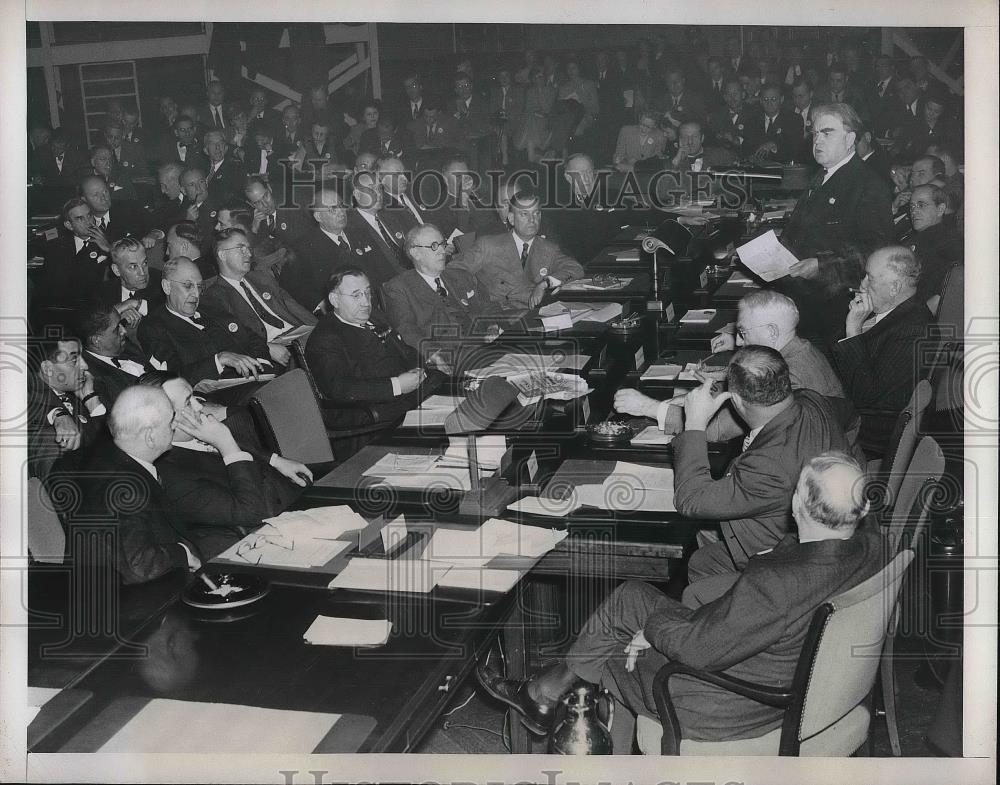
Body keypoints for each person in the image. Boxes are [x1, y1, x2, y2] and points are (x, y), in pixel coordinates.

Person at [476, 452, 884, 750]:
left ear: (797, 503)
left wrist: (652, 631)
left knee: (616, 639)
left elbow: (698, 648)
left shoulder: (777, 581)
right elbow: (739, 624)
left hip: (728, 707)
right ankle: (546, 695)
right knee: (632, 603)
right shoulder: (871, 547)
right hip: (800, 684)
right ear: (861, 509)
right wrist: (665, 630)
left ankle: (549, 703)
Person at [673, 346, 858, 584]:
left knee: (700, 562)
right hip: (834, 538)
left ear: (736, 400)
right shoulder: (812, 400)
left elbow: (690, 500)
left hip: (787, 565)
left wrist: (695, 423)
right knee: (702, 561)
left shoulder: (767, 467)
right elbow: (851, 414)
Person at [616, 291, 849, 441]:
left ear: (772, 332)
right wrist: (716, 385)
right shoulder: (801, 349)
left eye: (743, 333)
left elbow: (715, 430)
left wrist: (648, 407)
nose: (737, 342)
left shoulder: (790, 376)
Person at [141, 371, 311, 551]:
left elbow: (247, 453)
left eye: (195, 397)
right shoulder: (171, 475)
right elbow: (252, 514)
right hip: (269, 534)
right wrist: (227, 445)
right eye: (188, 402)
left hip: (295, 502)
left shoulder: (200, 433)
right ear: (164, 419)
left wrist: (274, 460)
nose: (199, 407)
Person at [49, 386, 202, 584]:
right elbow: (139, 566)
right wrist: (183, 553)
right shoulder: (123, 489)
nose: (174, 426)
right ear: (150, 436)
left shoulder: (114, 458)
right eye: (170, 422)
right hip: (131, 601)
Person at [833, 246, 933, 456]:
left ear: (895, 287)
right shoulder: (888, 309)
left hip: (863, 436)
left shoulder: (914, 331)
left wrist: (853, 331)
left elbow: (867, 399)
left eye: (869, 278)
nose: (862, 284)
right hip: (844, 403)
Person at [304, 268, 430, 427]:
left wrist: (418, 367)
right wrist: (396, 385)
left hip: (412, 395)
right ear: (334, 300)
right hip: (376, 414)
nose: (366, 302)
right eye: (356, 295)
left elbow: (404, 350)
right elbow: (340, 389)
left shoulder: (375, 317)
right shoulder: (325, 338)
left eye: (368, 293)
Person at [137, 256, 270, 384]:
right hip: (217, 395)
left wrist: (260, 364)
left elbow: (252, 337)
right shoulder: (153, 327)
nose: (196, 294)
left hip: (257, 378)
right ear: (167, 286)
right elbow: (172, 377)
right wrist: (218, 360)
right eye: (188, 285)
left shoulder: (210, 306)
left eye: (199, 286)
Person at [199, 228, 317, 368]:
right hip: (272, 355)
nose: (249, 254)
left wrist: (320, 329)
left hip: (300, 339)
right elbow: (229, 339)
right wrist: (266, 348)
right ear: (222, 255)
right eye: (241, 249)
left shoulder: (262, 278)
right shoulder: (213, 296)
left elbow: (295, 307)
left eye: (248, 248)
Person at [449, 187, 584, 309]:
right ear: (511, 219)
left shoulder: (548, 249)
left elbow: (575, 268)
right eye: (524, 214)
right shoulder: (488, 245)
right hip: (496, 316)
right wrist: (476, 299)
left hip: (532, 315)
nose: (532, 220)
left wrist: (545, 283)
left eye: (536, 213)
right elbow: (454, 270)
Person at [384, 224, 496, 353]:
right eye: (434, 246)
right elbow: (406, 330)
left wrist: (492, 326)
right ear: (415, 253)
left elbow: (489, 306)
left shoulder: (462, 275)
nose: (442, 251)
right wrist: (433, 355)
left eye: (442, 244)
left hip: (486, 350)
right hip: (447, 359)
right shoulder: (399, 288)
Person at [28, 336, 108, 480]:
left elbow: (102, 442)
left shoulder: (73, 397)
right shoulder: (22, 393)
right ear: (48, 369)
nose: (85, 366)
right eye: (74, 360)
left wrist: (91, 400)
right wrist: (57, 413)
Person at [39, 197, 113, 307]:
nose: (88, 222)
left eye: (89, 215)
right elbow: (40, 238)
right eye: (80, 218)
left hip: (95, 307)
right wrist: (61, 228)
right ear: (68, 225)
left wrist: (108, 249)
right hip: (60, 306)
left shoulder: (109, 240)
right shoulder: (58, 240)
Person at [346, 170, 408, 290]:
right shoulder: (350, 228)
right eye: (371, 189)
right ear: (357, 195)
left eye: (379, 188)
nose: (378, 194)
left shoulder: (390, 216)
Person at [420, 156, 502, 245]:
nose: (464, 180)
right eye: (458, 176)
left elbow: (494, 228)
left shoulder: (480, 198)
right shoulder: (438, 209)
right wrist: (463, 203)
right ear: (445, 179)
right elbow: (456, 242)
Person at [905, 183, 963, 305]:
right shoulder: (916, 238)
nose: (914, 211)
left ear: (940, 209)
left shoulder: (947, 241)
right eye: (912, 207)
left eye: (921, 205)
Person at [98, 237, 164, 327]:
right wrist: (116, 315)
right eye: (133, 266)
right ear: (116, 270)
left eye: (144, 263)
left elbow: (164, 314)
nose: (142, 273)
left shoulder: (161, 282)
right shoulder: (104, 291)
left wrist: (134, 304)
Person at [740, 84, 804, 163]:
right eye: (765, 99)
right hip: (757, 168)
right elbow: (746, 147)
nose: (769, 103)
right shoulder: (752, 121)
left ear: (781, 99)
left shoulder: (794, 120)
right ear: (760, 101)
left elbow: (795, 147)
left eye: (773, 99)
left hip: (784, 169)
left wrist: (774, 145)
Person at [79, 174, 152, 242]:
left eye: (105, 191)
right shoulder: (82, 221)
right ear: (84, 199)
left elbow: (155, 225)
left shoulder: (130, 209)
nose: (104, 198)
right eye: (96, 195)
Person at [378, 156, 427, 232]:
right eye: (397, 174)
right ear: (382, 178)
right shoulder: (382, 208)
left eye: (404, 172)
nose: (404, 177)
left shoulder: (417, 193)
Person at [198, 129, 245, 202]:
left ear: (226, 148)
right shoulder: (201, 169)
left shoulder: (235, 169)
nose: (217, 147)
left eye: (221, 143)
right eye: (212, 144)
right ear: (206, 150)